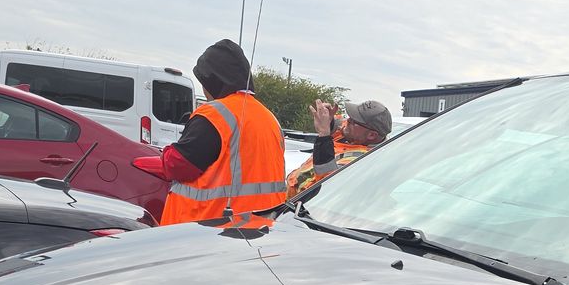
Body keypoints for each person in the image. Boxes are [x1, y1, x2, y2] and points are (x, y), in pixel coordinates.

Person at [140, 39, 287, 225]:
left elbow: (178, 164)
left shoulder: (215, 115)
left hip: (205, 230)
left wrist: (166, 152)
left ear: (212, 81)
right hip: (258, 231)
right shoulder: (269, 118)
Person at [285, 98, 391, 199]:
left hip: (302, 209)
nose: (348, 121)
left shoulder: (362, 161)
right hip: (288, 200)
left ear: (372, 135)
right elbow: (339, 124)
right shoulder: (355, 135)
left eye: (354, 121)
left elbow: (328, 181)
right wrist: (328, 119)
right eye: (350, 117)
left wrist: (324, 134)